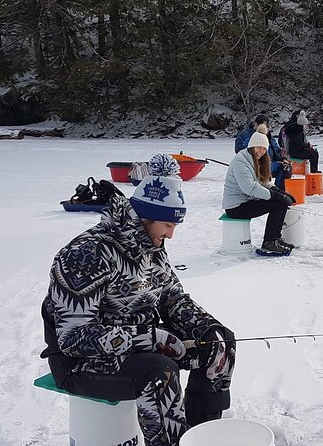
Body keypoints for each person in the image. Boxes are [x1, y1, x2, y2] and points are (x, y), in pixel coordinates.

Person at [40, 154, 236, 446]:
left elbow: (173, 299)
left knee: (220, 344)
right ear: (144, 217)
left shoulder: (151, 247)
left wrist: (207, 329)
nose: (172, 233)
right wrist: (151, 338)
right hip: (78, 362)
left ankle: (198, 436)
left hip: (137, 347)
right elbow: (73, 338)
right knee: (160, 373)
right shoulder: (88, 253)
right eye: (168, 225)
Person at [223, 123, 296, 255]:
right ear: (251, 146)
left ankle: (275, 238)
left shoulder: (259, 159)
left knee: (282, 202)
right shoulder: (241, 161)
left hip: (247, 201)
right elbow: (249, 188)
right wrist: (275, 196)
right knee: (277, 203)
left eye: (264, 148)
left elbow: (264, 182)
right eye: (258, 147)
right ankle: (269, 242)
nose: (260, 151)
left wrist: (280, 192)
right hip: (235, 206)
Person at [234, 114, 292, 190]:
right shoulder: (245, 135)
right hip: (254, 164)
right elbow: (239, 149)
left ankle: (279, 191)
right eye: (261, 124)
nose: (263, 127)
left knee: (286, 168)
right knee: (263, 170)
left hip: (270, 163)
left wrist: (283, 158)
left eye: (266, 125)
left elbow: (277, 149)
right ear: (255, 124)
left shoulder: (269, 136)